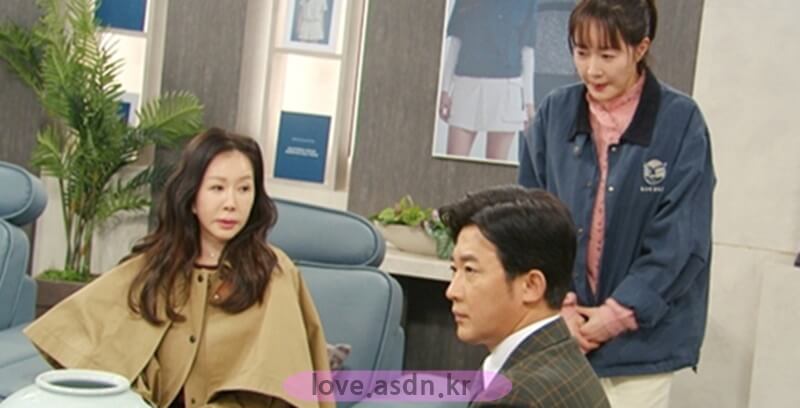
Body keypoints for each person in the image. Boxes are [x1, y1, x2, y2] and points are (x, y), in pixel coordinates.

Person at [25, 128, 334, 408]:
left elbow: (283, 384)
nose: (232, 203)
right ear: (192, 197)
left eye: (244, 189)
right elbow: (80, 340)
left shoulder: (273, 271)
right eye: (217, 188)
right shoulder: (153, 265)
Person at [517, 0, 716, 407]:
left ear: (640, 48)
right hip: (561, 335)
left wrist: (617, 314)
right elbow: (531, 221)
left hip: (641, 345)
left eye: (607, 56)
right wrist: (561, 306)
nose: (592, 70)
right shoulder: (555, 113)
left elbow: (681, 240)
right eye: (581, 52)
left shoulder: (680, 122)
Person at [439, 185, 610, 408]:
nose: (452, 291)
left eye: (470, 270)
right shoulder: (562, 357)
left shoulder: (516, 396)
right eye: (454, 270)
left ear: (531, 285)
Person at [438, 0, 538, 161]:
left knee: (496, 166)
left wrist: (529, 104)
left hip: (506, 90)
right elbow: (455, 43)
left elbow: (527, 51)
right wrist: (444, 90)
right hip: (466, 88)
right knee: (453, 163)